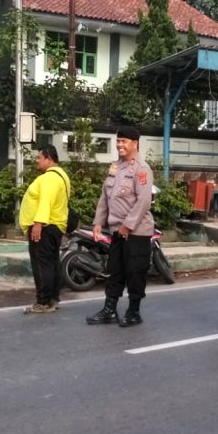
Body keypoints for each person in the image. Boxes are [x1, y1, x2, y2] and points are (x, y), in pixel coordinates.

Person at [86, 126, 153, 328]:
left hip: (137, 232)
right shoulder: (115, 167)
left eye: (123, 141)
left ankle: (134, 311)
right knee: (115, 271)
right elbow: (105, 198)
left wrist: (127, 226)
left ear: (135, 144)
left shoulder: (141, 168)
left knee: (135, 272)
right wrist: (98, 222)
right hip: (117, 231)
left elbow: (143, 201)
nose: (119, 145)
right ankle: (110, 310)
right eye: (118, 141)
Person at [19, 145, 71, 314]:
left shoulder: (49, 178)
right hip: (55, 227)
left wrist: (38, 224)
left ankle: (43, 302)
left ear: (49, 158)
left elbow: (45, 202)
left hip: (45, 227)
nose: (37, 161)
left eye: (39, 157)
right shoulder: (61, 176)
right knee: (52, 263)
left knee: (41, 265)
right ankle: (53, 298)